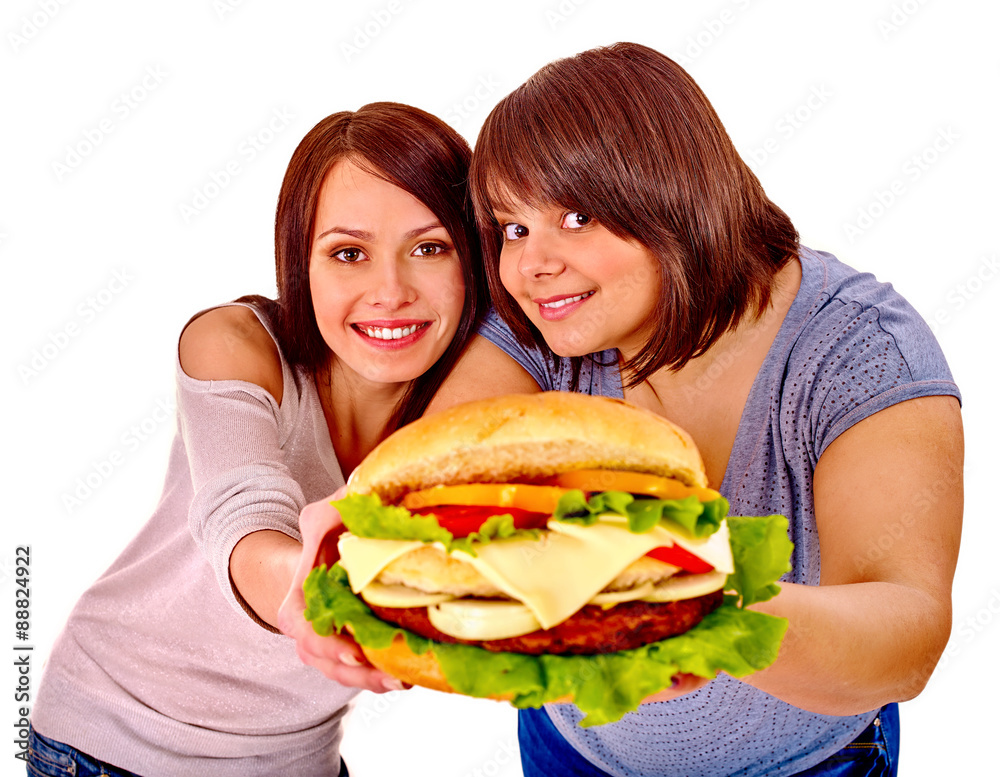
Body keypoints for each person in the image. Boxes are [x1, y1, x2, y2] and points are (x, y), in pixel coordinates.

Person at [456, 42, 963, 776]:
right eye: (513, 226)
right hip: (573, 748)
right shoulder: (543, 322)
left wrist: (705, 610)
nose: (532, 264)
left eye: (576, 215)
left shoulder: (860, 349)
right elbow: (448, 454)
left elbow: (906, 635)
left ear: (669, 193)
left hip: (808, 763)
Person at [27, 102, 535, 777]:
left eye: (429, 247)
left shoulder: (474, 400)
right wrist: (310, 584)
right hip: (108, 744)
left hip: (296, 760)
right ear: (301, 261)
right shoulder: (233, 344)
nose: (389, 291)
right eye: (348, 253)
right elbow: (243, 516)